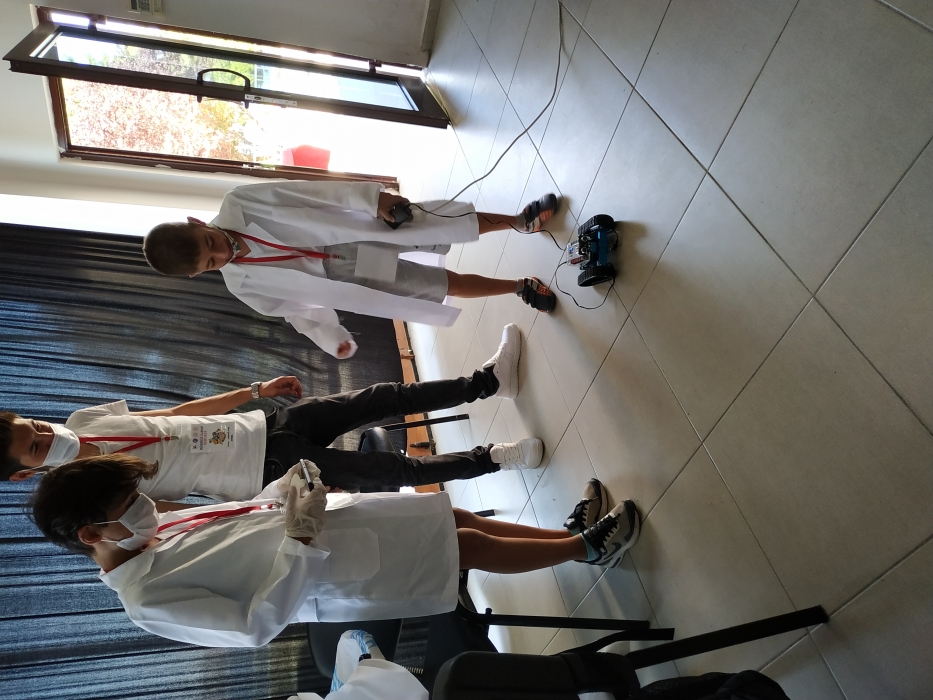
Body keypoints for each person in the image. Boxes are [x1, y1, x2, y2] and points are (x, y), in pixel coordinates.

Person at [29, 455, 641, 647]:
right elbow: (252, 626)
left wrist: (283, 491)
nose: (146, 505)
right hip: (338, 569)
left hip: (338, 526)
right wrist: (298, 541)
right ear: (91, 535)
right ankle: (586, 548)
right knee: (468, 547)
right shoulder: (147, 600)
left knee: (452, 517)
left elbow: (241, 522)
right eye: (128, 502)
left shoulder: (151, 530)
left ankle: (570, 540)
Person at [0, 326, 540, 499]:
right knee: (391, 470)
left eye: (37, 425)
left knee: (384, 397)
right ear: (26, 474)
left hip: (270, 426)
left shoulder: (83, 420)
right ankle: (493, 459)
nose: (50, 434)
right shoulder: (90, 492)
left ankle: (487, 383)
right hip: (267, 473)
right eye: (38, 446)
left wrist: (255, 389)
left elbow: (177, 413)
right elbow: (172, 516)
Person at [141, 180, 561, 358]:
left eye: (210, 241)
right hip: (346, 273)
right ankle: (518, 287)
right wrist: (332, 337)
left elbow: (307, 193)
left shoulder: (239, 203)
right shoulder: (241, 284)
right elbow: (299, 312)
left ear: (197, 222)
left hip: (345, 232)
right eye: (212, 262)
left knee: (437, 224)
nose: (222, 252)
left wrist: (371, 199)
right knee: (433, 286)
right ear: (199, 274)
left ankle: (518, 221)